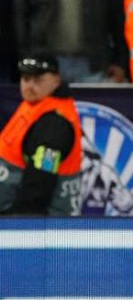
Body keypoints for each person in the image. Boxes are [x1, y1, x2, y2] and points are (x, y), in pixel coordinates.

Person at [0, 53, 82, 215]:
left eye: (38, 80)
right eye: (25, 79)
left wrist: (20, 220)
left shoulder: (54, 125)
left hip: (42, 225)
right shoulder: (33, 105)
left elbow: (41, 178)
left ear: (56, 80)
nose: (29, 86)